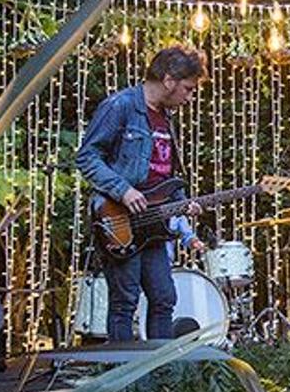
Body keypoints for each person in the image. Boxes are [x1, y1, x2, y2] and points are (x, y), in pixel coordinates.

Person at [76, 44, 207, 341]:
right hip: (119, 220)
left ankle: (159, 376)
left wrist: (182, 202)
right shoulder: (120, 106)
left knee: (164, 298)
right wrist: (122, 191)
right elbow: (87, 157)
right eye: (187, 88)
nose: (190, 96)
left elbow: (163, 175)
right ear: (169, 80)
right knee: (125, 302)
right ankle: (123, 379)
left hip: (154, 224)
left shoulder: (166, 118)